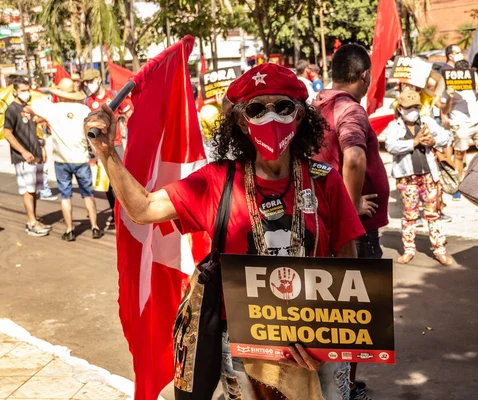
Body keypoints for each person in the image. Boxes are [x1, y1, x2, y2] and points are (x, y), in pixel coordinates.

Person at [84, 62, 365, 400]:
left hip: (316, 345)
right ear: (242, 123)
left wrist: (332, 334)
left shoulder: (325, 180)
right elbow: (143, 208)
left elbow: (349, 260)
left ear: (301, 116)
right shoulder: (216, 181)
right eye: (257, 109)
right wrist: (106, 150)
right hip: (246, 349)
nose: (271, 119)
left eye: (284, 107)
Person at [312, 44, 390, 398]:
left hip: (320, 222)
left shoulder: (316, 105)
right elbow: (355, 159)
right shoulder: (350, 110)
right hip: (352, 231)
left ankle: (335, 382)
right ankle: (343, 388)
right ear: (364, 76)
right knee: (352, 315)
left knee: (328, 309)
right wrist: (351, 205)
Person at [29, 78, 104, 241]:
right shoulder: (84, 109)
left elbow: (33, 107)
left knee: (66, 196)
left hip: (62, 160)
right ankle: (95, 227)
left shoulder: (51, 109)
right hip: (81, 158)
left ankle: (70, 230)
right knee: (87, 194)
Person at [384, 90, 452, 265]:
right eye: (409, 107)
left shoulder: (427, 122)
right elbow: (391, 145)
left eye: (416, 107)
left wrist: (433, 141)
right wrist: (413, 143)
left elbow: (447, 137)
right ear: (400, 108)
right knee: (409, 215)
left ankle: (439, 249)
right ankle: (408, 249)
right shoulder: (394, 127)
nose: (413, 111)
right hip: (407, 179)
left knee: (433, 215)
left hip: (429, 176)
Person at [82, 68, 133, 229]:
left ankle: (126, 212)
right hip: (98, 148)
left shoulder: (114, 95)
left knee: (122, 180)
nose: (88, 85)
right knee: (107, 184)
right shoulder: (86, 102)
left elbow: (129, 113)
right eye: (86, 83)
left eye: (90, 81)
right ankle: (114, 212)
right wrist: (91, 154)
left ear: (98, 79)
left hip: (116, 145)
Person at [3, 77, 51, 237]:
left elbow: (33, 129)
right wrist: (23, 151)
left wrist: (41, 148)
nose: (26, 93)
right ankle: (31, 223)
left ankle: (34, 219)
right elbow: (7, 133)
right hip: (23, 158)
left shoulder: (28, 108)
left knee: (34, 190)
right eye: (23, 90)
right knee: (27, 190)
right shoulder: (12, 109)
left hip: (35, 155)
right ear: (15, 91)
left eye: (28, 90)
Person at [441, 58, 478, 199]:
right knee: (459, 154)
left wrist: (477, 85)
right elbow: (444, 109)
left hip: (477, 121)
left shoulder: (472, 79)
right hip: (461, 123)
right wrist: (450, 97)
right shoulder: (449, 86)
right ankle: (458, 186)